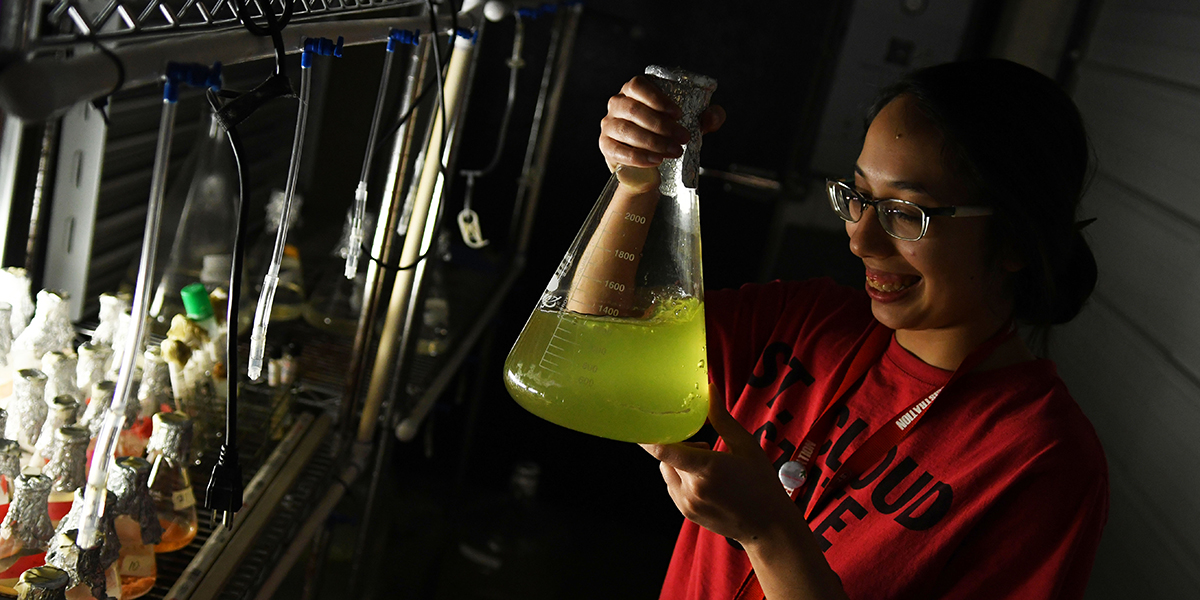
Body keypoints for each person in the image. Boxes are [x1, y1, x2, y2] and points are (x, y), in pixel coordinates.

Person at [598, 59, 1109, 600]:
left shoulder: (1043, 460)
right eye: (859, 197)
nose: (861, 241)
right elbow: (593, 352)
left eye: (907, 212)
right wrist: (636, 182)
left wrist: (769, 534)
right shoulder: (804, 320)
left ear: (1016, 240)